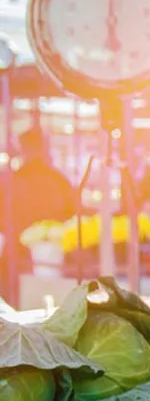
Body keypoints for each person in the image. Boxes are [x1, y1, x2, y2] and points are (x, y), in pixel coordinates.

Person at [1, 126, 77, 300]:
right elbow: (73, 214)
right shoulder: (58, 180)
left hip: (17, 258)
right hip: (49, 257)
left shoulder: (9, 181)